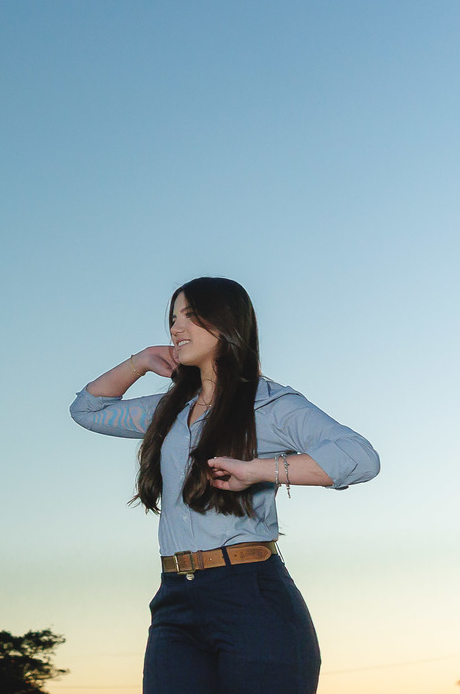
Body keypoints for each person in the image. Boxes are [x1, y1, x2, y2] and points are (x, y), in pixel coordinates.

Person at [69, 277, 379, 694]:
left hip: (252, 595)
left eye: (192, 316)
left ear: (227, 323)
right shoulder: (168, 409)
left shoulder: (270, 404)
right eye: (173, 318)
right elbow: (87, 410)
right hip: (174, 600)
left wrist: (260, 470)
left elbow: (359, 457)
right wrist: (141, 361)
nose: (176, 328)